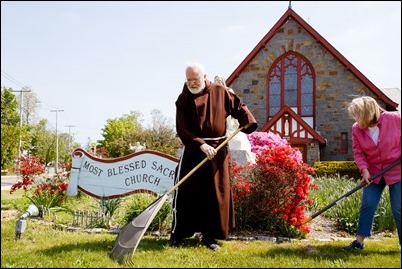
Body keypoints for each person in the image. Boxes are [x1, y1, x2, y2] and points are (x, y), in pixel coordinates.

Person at [168, 62, 257, 250]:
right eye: (189, 80)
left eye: (196, 79)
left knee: (214, 194)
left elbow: (239, 107)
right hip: (194, 150)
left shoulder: (221, 91)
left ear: (205, 76)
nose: (192, 83)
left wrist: (247, 121)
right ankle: (179, 234)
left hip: (218, 151)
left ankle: (209, 237)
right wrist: (201, 145)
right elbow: (182, 129)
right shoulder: (183, 99)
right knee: (186, 193)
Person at [343, 96, 401, 251]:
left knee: (399, 208)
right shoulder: (357, 128)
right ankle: (359, 242)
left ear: (366, 113)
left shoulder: (395, 119)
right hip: (374, 172)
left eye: (357, 115)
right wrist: (364, 169)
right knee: (367, 204)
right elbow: (358, 152)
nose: (355, 119)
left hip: (397, 170)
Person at [214, 75, 256, 164]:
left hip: (229, 114)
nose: (217, 83)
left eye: (218, 81)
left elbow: (237, 106)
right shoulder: (213, 94)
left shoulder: (229, 92)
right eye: (215, 81)